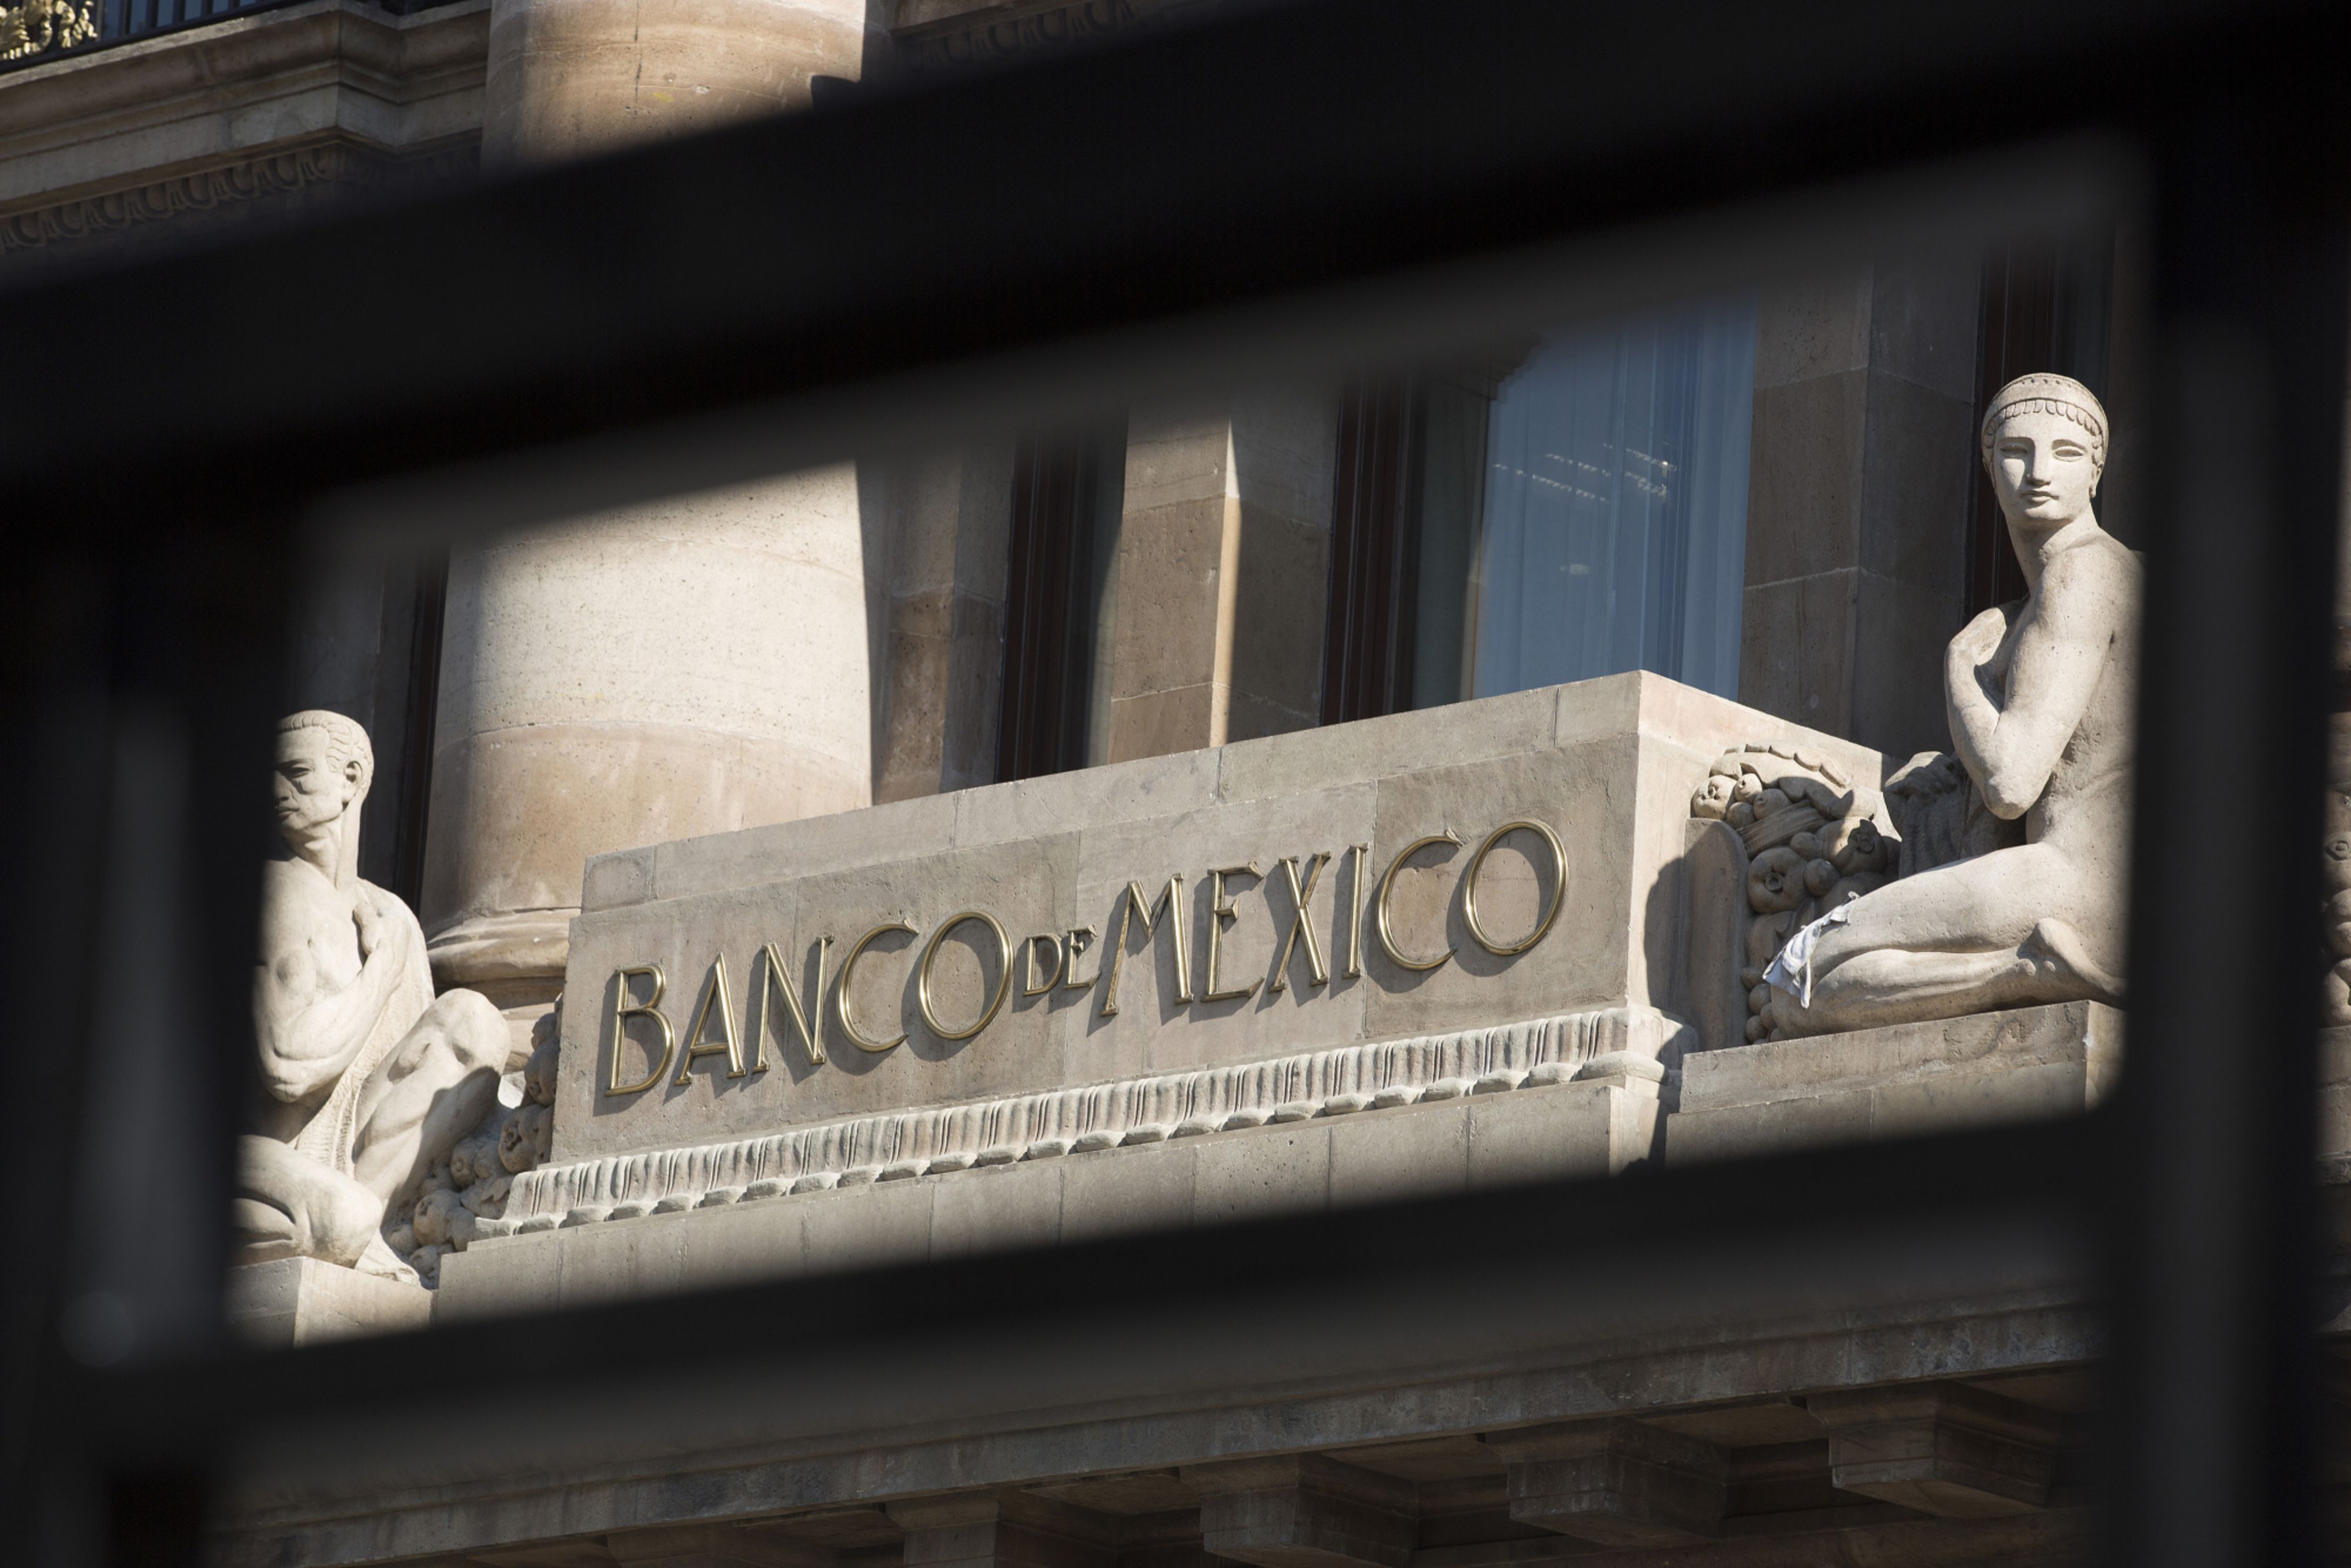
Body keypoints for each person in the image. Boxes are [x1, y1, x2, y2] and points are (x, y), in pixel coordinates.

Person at [1764, 373, 2138, 1037]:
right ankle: (2023, 972)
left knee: (1800, 973)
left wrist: (1959, 667)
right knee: (1809, 996)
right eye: (2017, 452)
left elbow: (2009, 782)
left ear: (2095, 472)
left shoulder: (2083, 572)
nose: (2039, 472)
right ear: (1990, 470)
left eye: (2066, 453)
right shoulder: (2074, 590)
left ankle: (2036, 964)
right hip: (2100, 900)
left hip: (2075, 888)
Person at [234, 710, 507, 1277]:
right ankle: (345, 1224)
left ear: (352, 778)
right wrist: (379, 971)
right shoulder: (273, 893)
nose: (277, 790)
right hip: (262, 1155)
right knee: (343, 1217)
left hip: (352, 1155)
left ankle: (370, 1220)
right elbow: (287, 1066)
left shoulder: (394, 917)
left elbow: (418, 1068)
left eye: (297, 773)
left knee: (473, 1021)